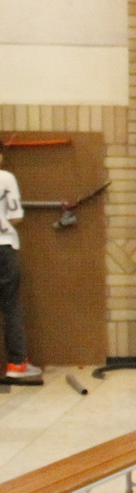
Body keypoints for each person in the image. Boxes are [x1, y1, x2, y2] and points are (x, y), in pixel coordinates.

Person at [0, 145, 40, 383]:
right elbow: (16, 216)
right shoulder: (5, 177)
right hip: (3, 247)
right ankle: (16, 365)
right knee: (10, 307)